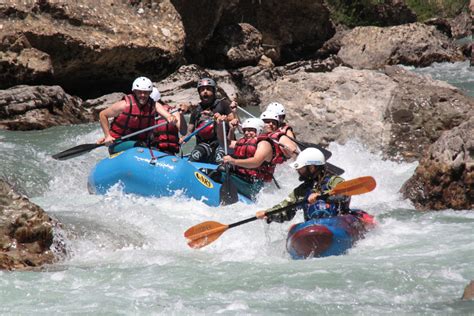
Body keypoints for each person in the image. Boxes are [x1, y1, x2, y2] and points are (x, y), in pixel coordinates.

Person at [256, 148, 350, 223]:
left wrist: (322, 196)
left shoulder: (334, 181)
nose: (299, 172)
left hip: (338, 222)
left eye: (302, 169)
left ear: (313, 167)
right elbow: (285, 207)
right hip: (314, 227)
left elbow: (345, 193)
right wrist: (268, 214)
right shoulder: (302, 190)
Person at [97, 77, 177, 153]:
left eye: (145, 92)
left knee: (150, 146)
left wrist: (171, 118)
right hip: (118, 143)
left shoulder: (154, 105)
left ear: (150, 93)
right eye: (140, 92)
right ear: (134, 91)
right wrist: (107, 136)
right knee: (140, 146)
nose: (143, 95)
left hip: (141, 144)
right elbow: (103, 115)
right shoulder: (124, 105)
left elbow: (168, 115)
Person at [219, 117, 283, 199]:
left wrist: (233, 161)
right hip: (243, 178)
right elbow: (224, 143)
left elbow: (256, 162)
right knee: (221, 169)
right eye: (245, 130)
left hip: (254, 186)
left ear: (259, 130)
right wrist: (221, 125)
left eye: (251, 130)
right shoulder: (244, 141)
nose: (247, 133)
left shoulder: (264, 144)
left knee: (218, 173)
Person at [183, 77, 235, 163]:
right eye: (202, 90)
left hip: (222, 143)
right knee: (194, 157)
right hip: (203, 145)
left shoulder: (223, 104)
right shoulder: (196, 110)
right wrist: (182, 139)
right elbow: (189, 132)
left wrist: (220, 117)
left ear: (214, 91)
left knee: (220, 158)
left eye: (208, 89)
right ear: (199, 93)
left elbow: (233, 119)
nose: (205, 92)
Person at [148, 87, 187, 154]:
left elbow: (183, 132)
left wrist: (181, 115)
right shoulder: (144, 112)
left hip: (166, 151)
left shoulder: (172, 111)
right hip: (149, 150)